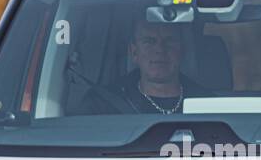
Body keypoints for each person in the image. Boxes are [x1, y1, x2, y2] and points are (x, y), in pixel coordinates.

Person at [76, 16, 212, 115]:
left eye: (169, 41)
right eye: (149, 42)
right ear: (134, 52)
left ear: (182, 50)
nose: (160, 49)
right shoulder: (101, 105)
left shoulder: (208, 104)